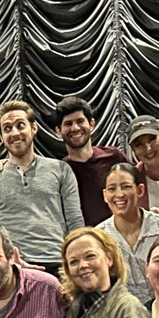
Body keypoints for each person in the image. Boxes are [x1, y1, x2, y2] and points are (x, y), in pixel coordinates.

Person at [0, 100, 84, 271]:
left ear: (34, 128)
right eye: (7, 129)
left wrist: (77, 259)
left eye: (20, 125)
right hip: (14, 267)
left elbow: (75, 221)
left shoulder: (61, 169)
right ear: (1, 137)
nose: (15, 133)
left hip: (58, 263)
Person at [96, 164, 159, 304]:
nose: (119, 194)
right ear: (105, 195)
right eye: (112, 189)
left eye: (126, 186)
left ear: (140, 190)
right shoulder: (99, 238)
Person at [53, 96, 129, 227]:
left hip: (121, 235)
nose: (75, 128)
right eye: (68, 124)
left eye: (80, 121)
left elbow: (135, 187)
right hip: (86, 242)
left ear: (91, 124)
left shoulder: (114, 156)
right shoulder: (60, 171)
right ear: (59, 131)